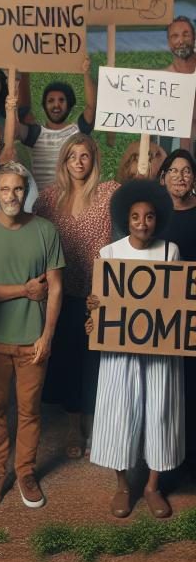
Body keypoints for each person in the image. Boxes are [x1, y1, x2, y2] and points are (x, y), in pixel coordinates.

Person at [0, 161, 64, 510]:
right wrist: (24, 290)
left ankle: (25, 472)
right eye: (5, 189)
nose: (12, 195)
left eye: (19, 189)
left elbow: (55, 288)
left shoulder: (45, 231)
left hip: (33, 339)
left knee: (30, 411)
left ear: (27, 191)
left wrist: (47, 335)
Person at [87, 180, 184, 518]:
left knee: (160, 410)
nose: (143, 223)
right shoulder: (109, 254)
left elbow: (175, 303)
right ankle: (123, 486)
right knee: (120, 411)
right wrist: (94, 310)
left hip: (161, 351)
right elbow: (99, 305)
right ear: (125, 219)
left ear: (158, 220)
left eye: (150, 217)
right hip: (120, 351)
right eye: (136, 217)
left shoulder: (170, 251)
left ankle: (152, 486)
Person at [34, 135, 117, 460]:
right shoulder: (48, 198)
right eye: (72, 156)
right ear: (64, 161)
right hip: (63, 291)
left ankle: (97, 422)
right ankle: (73, 426)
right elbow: (34, 238)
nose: (79, 162)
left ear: (93, 159)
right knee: (68, 359)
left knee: (96, 362)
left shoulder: (110, 193)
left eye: (85, 156)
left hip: (100, 293)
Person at [157, 150, 196, 469]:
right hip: (160, 317)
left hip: (194, 315)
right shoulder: (152, 217)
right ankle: (165, 459)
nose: (181, 176)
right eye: (174, 170)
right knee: (167, 385)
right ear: (163, 177)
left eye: (187, 170)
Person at [13, 60, 96, 191]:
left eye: (61, 100)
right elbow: (15, 128)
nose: (56, 105)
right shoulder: (35, 133)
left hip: (69, 201)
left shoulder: (78, 131)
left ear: (70, 104)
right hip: (42, 202)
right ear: (44, 106)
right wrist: (22, 75)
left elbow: (91, 107)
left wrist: (86, 74)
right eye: (51, 101)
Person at [165, 16, 196, 152]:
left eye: (186, 35)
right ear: (169, 43)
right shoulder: (163, 79)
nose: (181, 41)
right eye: (175, 36)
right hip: (176, 149)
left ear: (194, 38)